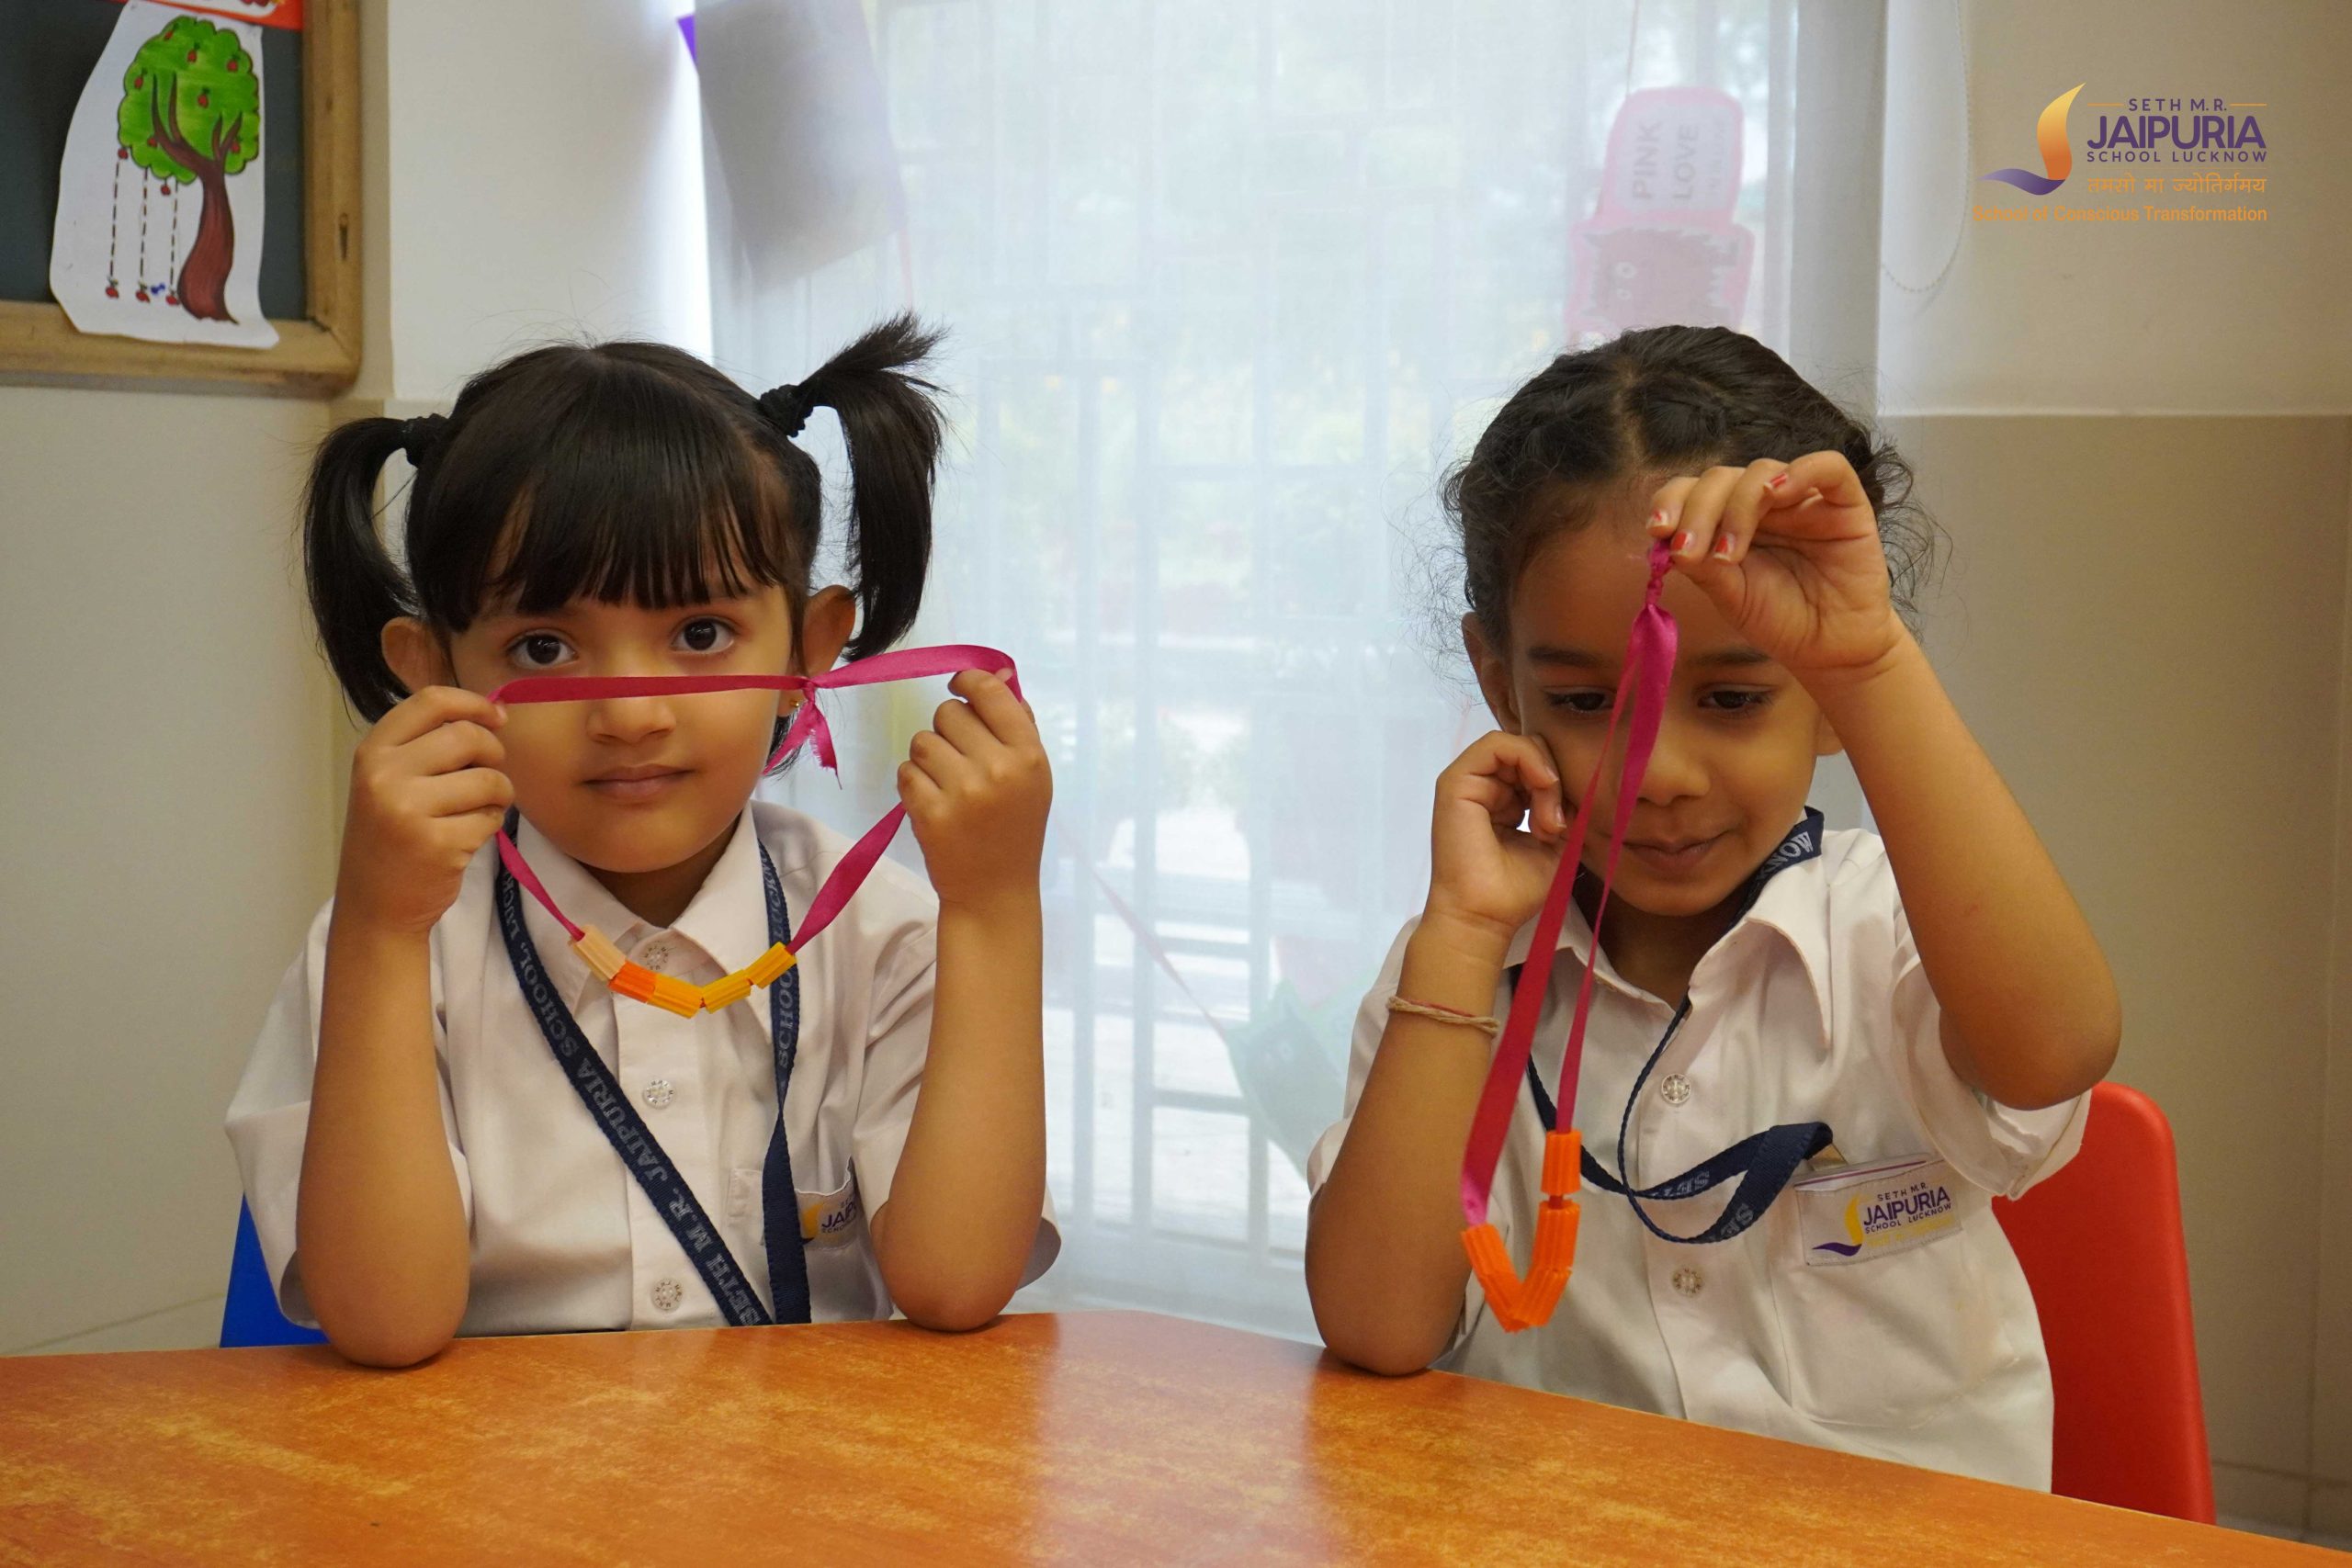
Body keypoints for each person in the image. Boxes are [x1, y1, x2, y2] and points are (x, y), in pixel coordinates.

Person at [1304, 324, 2119, 1487]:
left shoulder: (1894, 934)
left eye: (1732, 699)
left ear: (1823, 694)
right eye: (1586, 702)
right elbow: (1376, 1329)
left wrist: (1868, 662)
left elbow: (2056, 1052)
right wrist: (1464, 938)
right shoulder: (1459, 969)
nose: (1659, 773)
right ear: (1501, 684)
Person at [229, 315, 1057, 1367]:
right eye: (544, 647)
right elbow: (384, 1326)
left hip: (806, 1470)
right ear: (432, 672)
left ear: (809, 652)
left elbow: (956, 1282)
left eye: (700, 634)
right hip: (491, 1470)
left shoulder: (883, 935)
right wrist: (382, 931)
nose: (629, 715)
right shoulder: (395, 943)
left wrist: (994, 908)